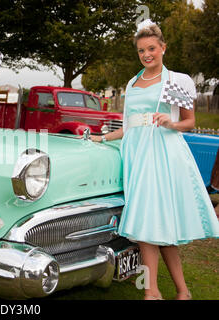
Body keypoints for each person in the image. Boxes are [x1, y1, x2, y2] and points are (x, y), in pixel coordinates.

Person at [91, 19, 219, 300]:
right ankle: (181, 292)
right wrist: (101, 139)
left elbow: (189, 122)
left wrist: (169, 123)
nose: (146, 54)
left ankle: (153, 292)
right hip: (136, 157)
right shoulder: (132, 82)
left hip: (163, 154)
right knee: (154, 226)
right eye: (141, 50)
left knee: (151, 224)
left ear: (163, 48)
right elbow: (129, 126)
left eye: (151, 48)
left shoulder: (177, 81)